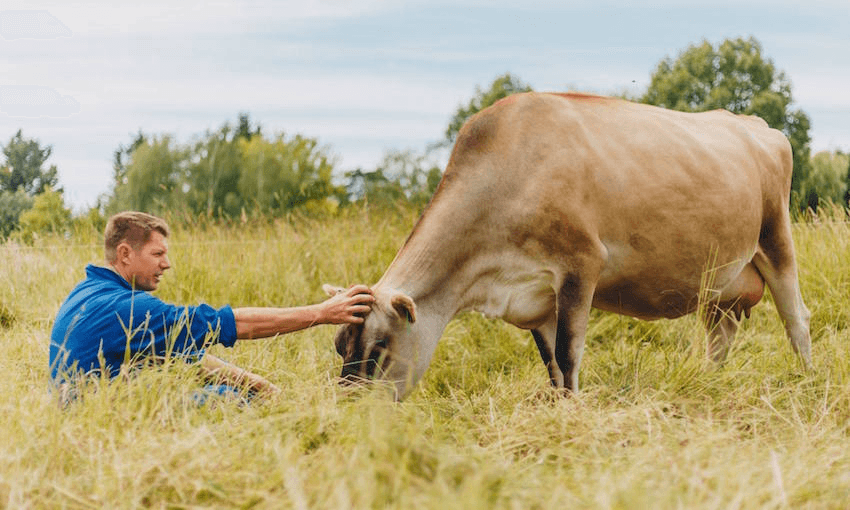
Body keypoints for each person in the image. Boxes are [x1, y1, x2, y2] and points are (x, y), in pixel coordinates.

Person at [49, 211, 374, 402]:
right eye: (158, 254)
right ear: (124, 254)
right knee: (232, 402)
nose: (167, 264)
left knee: (229, 388)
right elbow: (229, 324)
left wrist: (262, 385)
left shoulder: (88, 291)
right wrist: (321, 313)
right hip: (97, 415)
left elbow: (182, 356)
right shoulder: (127, 309)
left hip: (87, 403)